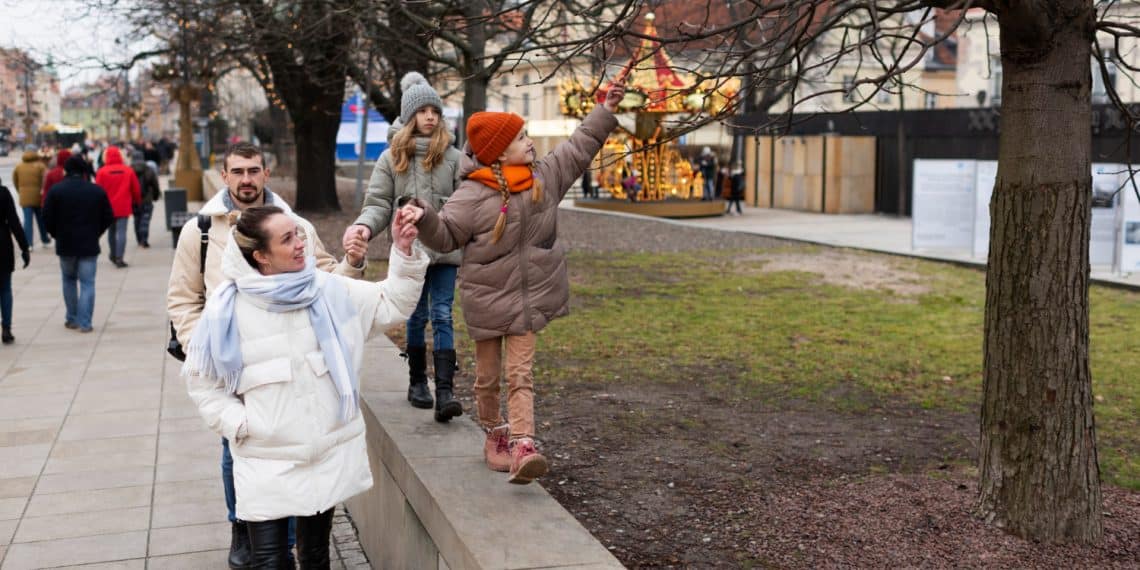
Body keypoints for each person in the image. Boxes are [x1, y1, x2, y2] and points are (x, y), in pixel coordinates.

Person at [400, 83, 626, 484]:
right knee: (487, 379)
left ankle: (524, 444)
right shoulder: (471, 195)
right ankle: (495, 434)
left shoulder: (544, 178)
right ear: (499, 151)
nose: (531, 142)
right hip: (487, 303)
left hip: (529, 303)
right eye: (522, 137)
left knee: (521, 375)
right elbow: (447, 234)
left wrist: (603, 111)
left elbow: (579, 147)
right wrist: (425, 217)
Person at [184, 205, 427, 568]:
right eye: (288, 239)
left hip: (323, 457)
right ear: (261, 256)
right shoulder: (227, 310)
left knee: (315, 556)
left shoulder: (327, 289)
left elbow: (389, 304)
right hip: (264, 461)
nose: (301, 243)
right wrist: (241, 424)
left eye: (298, 233)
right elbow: (203, 384)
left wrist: (403, 250)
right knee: (269, 561)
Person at [167, 142, 365, 570]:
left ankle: (286, 539)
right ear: (223, 176)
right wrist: (205, 348)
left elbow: (327, 278)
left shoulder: (294, 225)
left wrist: (353, 262)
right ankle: (244, 527)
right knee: (235, 447)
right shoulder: (201, 230)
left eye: (253, 170)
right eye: (237, 171)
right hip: (234, 367)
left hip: (289, 358)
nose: (246, 179)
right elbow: (183, 298)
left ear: (266, 172)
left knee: (291, 451)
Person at [342, 72, 463, 421]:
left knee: (442, 314)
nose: (429, 116)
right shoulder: (391, 157)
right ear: (409, 116)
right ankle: (416, 381)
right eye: (422, 110)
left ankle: (445, 390)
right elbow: (378, 202)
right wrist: (365, 227)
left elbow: (462, 205)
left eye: (434, 111)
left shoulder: (453, 158)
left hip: (444, 252)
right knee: (416, 313)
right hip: (410, 254)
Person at [42, 156, 115, 333]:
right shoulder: (96, 191)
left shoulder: (56, 191)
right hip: (89, 243)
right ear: (84, 171)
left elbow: (46, 217)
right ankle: (85, 322)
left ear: (65, 171)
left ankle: (72, 318)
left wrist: (55, 234)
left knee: (68, 280)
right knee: (88, 283)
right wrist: (96, 232)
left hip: (65, 243)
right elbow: (108, 216)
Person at [94, 146, 141, 268]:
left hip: (107, 207)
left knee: (111, 232)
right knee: (122, 232)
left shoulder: (102, 172)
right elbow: (136, 189)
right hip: (123, 206)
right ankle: (120, 257)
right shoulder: (128, 170)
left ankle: (113, 254)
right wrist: (137, 201)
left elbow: (97, 191)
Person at [0, 179, 30, 345]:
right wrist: (24, 247)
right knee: (5, 289)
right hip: (3, 244)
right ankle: (6, 328)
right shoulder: (3, 192)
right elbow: (14, 222)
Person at [12, 145, 50, 249]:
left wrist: (20, 191)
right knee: (41, 219)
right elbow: (46, 179)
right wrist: (43, 190)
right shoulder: (40, 166)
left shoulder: (19, 166)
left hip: (24, 196)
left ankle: (28, 243)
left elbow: (15, 180)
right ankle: (45, 239)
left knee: (27, 221)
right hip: (38, 195)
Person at [130, 150, 161, 248]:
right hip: (147, 199)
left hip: (134, 199)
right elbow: (155, 184)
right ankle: (144, 240)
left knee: (137, 219)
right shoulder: (149, 169)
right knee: (145, 220)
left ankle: (139, 239)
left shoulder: (129, 170)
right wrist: (156, 196)